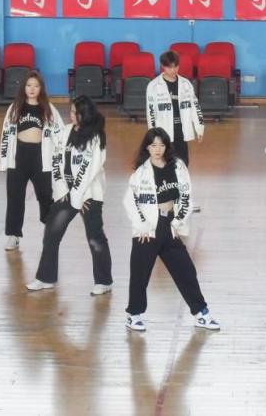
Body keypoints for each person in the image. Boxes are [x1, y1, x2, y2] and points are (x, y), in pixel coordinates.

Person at [123, 128, 220, 332]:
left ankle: (201, 314)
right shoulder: (140, 173)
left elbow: (186, 196)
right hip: (147, 231)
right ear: (147, 148)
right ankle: (134, 315)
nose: (157, 149)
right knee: (140, 274)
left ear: (167, 146)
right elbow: (130, 201)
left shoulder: (178, 166)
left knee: (186, 271)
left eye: (161, 145)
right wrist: (142, 225)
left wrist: (177, 222)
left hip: (170, 227)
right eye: (153, 145)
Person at [26, 95, 113, 293]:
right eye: (72, 112)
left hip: (88, 194)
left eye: (76, 112)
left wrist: (78, 197)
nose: (71, 115)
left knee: (95, 237)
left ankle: (104, 281)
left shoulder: (96, 137)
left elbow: (89, 169)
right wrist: (62, 190)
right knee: (52, 232)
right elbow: (56, 160)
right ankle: (46, 278)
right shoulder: (65, 131)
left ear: (85, 114)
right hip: (66, 192)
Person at [0, 70, 64, 250]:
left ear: (41, 88)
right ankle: (13, 235)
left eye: (36, 86)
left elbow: (60, 134)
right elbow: (6, 134)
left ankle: (50, 230)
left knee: (45, 195)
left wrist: (59, 159)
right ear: (24, 87)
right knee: (15, 196)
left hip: (40, 157)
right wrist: (4, 160)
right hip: (19, 156)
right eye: (29, 85)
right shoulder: (15, 107)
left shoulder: (49, 108)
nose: (32, 89)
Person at [145, 50, 204, 168]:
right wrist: (153, 134)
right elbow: (151, 112)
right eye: (169, 67)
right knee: (164, 166)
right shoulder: (153, 86)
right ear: (163, 66)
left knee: (183, 165)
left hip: (181, 133)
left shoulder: (186, 84)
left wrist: (199, 127)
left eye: (176, 66)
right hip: (163, 134)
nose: (173, 70)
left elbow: (195, 107)